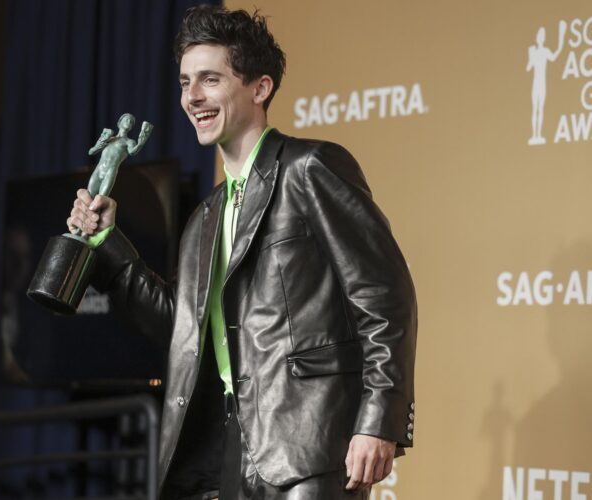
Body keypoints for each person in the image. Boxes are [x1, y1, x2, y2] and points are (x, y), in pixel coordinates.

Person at [67, 6, 417, 499]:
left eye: (210, 79)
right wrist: (107, 245)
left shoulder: (310, 168)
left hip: (305, 445)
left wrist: (378, 420)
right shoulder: (206, 214)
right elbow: (181, 326)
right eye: (186, 81)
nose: (192, 96)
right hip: (220, 451)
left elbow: (384, 297)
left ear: (260, 88)